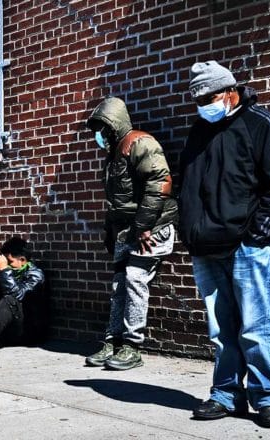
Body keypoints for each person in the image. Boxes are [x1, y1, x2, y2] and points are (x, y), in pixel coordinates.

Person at [179, 60, 270, 428]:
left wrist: (258, 233)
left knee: (254, 326)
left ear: (231, 91)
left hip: (246, 245)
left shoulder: (260, 123)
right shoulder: (199, 131)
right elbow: (188, 185)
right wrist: (189, 231)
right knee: (220, 331)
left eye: (210, 96)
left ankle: (268, 397)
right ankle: (226, 394)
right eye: (198, 99)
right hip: (206, 248)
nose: (204, 104)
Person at [84, 96, 178, 370]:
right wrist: (109, 233)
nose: (99, 135)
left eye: (102, 128)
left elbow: (159, 182)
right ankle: (113, 341)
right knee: (119, 286)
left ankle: (132, 346)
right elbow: (116, 201)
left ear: (114, 125)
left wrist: (145, 226)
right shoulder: (112, 154)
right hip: (127, 231)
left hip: (151, 229)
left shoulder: (140, 143)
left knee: (135, 279)